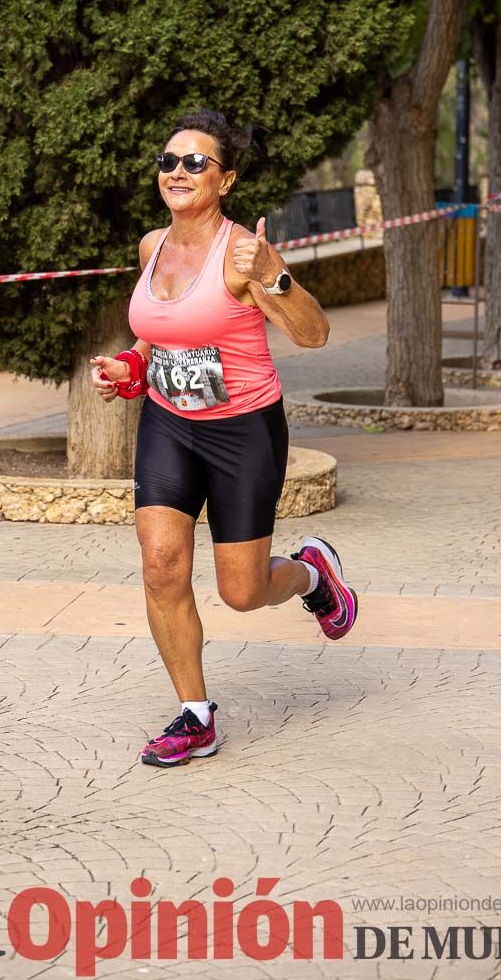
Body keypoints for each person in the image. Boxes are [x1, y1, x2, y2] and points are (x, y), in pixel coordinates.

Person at [90, 108, 358, 767]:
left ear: (226, 179)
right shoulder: (152, 247)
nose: (176, 172)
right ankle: (195, 715)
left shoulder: (244, 256)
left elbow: (314, 333)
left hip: (243, 432)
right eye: (167, 161)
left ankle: (311, 576)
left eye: (194, 162)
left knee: (242, 592)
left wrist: (274, 274)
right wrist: (131, 365)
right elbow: (160, 335)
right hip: (169, 424)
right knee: (161, 562)